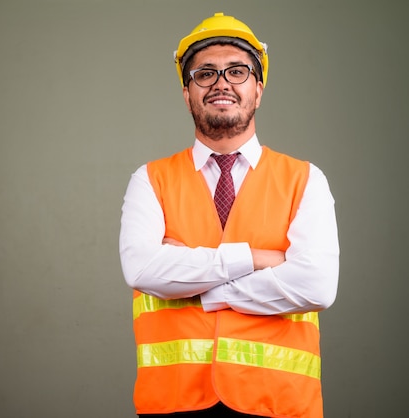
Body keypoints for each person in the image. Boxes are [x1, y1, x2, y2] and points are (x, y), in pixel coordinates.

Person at [119, 12, 339, 418]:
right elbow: (141, 270)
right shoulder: (149, 180)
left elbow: (317, 286)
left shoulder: (306, 179)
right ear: (187, 93)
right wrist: (256, 259)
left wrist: (202, 289)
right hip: (174, 402)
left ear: (258, 88)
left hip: (280, 403)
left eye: (237, 71)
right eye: (205, 74)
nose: (221, 83)